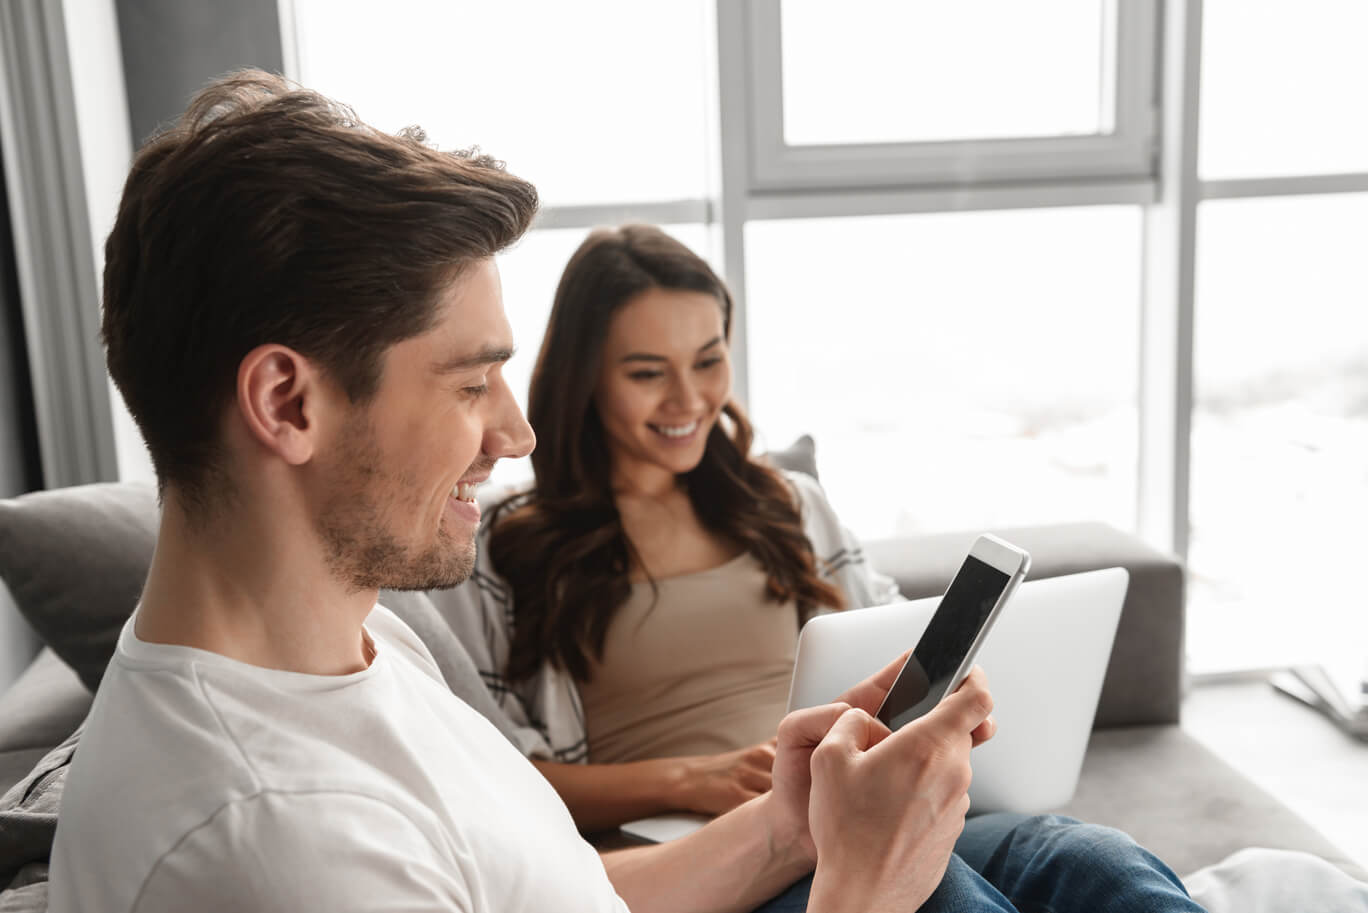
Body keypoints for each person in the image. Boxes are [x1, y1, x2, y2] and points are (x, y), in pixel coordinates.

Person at [47, 68, 1202, 913]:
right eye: (469, 383)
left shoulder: (355, 655)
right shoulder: (274, 845)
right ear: (289, 404)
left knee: (1084, 869)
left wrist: (788, 824)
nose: (514, 428)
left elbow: (573, 896)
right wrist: (857, 893)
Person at [440, 224, 1209, 910]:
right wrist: (695, 778)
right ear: (585, 377)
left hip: (858, 800)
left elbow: (892, 646)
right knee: (938, 890)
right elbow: (495, 777)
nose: (689, 398)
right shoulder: (506, 544)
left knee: (1096, 861)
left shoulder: (788, 503)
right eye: (647, 372)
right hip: (709, 854)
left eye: (709, 361)